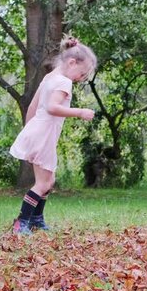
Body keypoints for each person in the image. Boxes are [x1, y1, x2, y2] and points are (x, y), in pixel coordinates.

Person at [9, 36, 97, 234]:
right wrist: (80, 112)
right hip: (42, 134)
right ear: (72, 62)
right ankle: (22, 222)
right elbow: (51, 107)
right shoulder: (64, 82)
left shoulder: (49, 78)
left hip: (39, 132)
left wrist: (29, 130)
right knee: (43, 183)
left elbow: (33, 106)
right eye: (81, 73)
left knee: (49, 181)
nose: (81, 79)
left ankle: (36, 219)